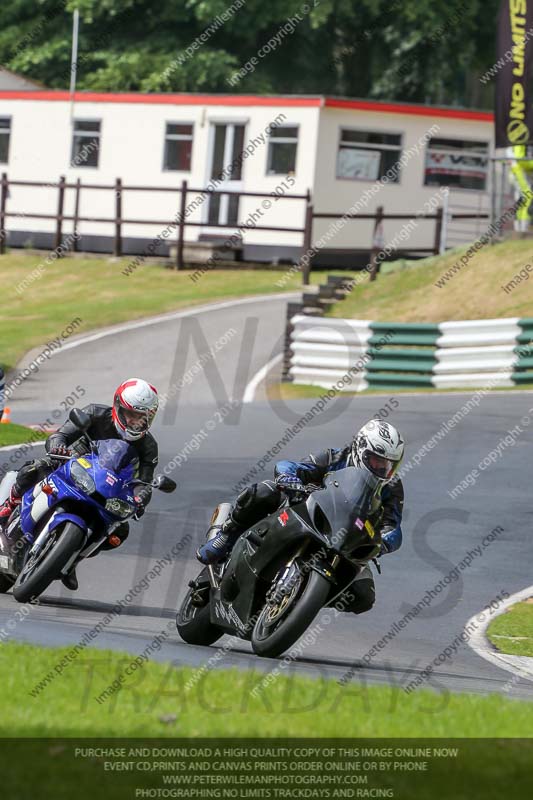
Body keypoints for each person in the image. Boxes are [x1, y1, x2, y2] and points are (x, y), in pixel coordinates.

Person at [197, 419, 404, 615]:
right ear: (360, 449)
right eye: (376, 461)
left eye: (387, 465)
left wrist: (383, 543)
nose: (381, 469)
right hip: (310, 512)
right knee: (263, 492)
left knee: (364, 595)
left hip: (347, 539)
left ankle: (303, 599)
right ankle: (226, 536)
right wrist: (290, 479)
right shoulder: (336, 458)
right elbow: (291, 466)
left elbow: (393, 527)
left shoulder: (392, 487)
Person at [0, 378, 159, 590]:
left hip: (110, 488)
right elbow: (60, 435)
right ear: (118, 407)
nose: (135, 422)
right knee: (33, 470)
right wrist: (58, 447)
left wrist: (140, 497)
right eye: (131, 415)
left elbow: (145, 481)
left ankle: (71, 557)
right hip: (73, 463)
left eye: (142, 418)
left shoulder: (148, 446)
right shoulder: (95, 413)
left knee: (119, 532)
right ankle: (8, 505)